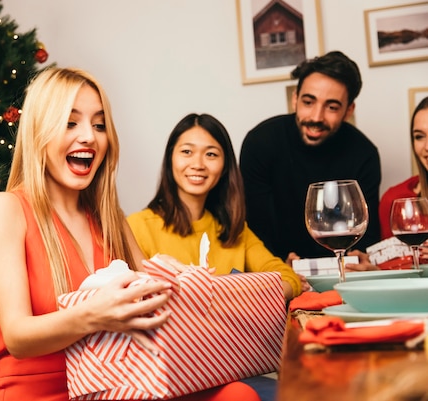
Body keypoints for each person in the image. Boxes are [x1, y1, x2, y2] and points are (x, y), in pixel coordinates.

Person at [0, 68, 260, 401]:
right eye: (70, 123)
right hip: (39, 393)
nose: (89, 137)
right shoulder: (3, 209)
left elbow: (149, 303)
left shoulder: (109, 219)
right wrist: (97, 314)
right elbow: (17, 337)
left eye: (99, 125)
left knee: (238, 394)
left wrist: (171, 278)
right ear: (38, 132)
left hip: (116, 387)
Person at [128, 113, 301, 300]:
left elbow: (288, 278)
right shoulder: (136, 227)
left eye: (211, 154)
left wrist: (233, 300)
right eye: (187, 152)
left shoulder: (234, 229)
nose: (198, 164)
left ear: (225, 166)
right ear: (170, 159)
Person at [239, 51, 381, 271]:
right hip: (277, 272)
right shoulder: (261, 142)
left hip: (344, 271)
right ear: (295, 98)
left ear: (348, 110)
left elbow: (366, 235)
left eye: (332, 107)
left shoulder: (365, 154)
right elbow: (254, 228)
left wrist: (363, 261)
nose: (316, 117)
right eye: (308, 102)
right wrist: (277, 266)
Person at [379, 96, 428, 239]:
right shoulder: (396, 199)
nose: (426, 147)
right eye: (419, 136)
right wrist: (372, 260)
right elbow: (392, 260)